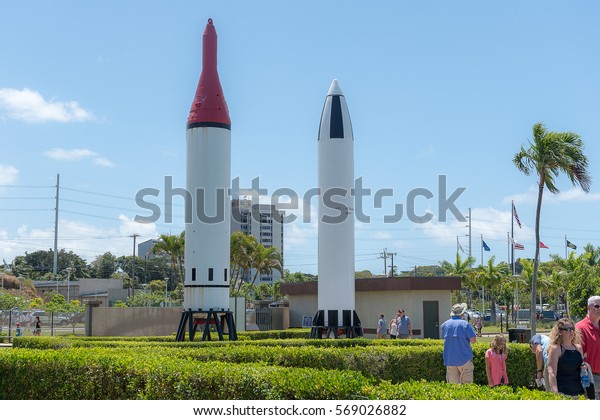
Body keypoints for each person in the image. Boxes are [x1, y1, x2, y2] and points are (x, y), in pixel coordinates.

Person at [547, 318, 585, 397]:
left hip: (579, 392)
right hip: (563, 392)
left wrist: (584, 368)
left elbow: (581, 370)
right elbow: (552, 373)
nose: (571, 331)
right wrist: (555, 393)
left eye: (572, 329)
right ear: (560, 331)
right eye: (567, 329)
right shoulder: (555, 349)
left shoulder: (578, 348)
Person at [441, 303, 476, 384]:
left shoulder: (445, 325)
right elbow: (473, 341)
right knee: (466, 387)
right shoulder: (465, 324)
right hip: (465, 359)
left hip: (450, 360)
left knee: (453, 388)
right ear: (462, 314)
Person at [575, 295, 600, 400]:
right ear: (588, 308)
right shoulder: (580, 327)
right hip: (592, 378)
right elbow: (577, 356)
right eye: (597, 306)